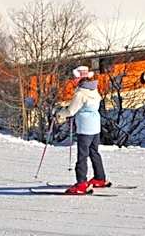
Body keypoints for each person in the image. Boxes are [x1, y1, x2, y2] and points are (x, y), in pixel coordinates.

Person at [60, 65, 110, 195]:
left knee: (82, 155)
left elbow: (71, 111)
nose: (73, 81)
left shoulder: (81, 93)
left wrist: (59, 113)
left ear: (79, 79)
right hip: (95, 126)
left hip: (85, 128)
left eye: (74, 78)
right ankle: (100, 178)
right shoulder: (94, 90)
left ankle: (81, 183)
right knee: (94, 152)